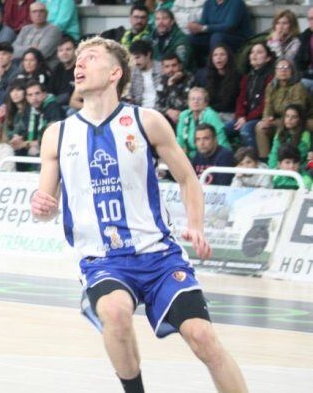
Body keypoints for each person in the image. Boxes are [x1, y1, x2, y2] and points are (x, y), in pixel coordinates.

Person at [31, 37, 247, 393]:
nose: (78, 65)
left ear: (115, 72)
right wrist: (42, 208)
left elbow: (188, 179)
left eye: (90, 58)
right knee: (114, 313)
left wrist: (195, 226)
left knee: (202, 336)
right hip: (103, 259)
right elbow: (45, 205)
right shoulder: (58, 134)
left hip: (158, 255)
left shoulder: (146, 121)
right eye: (77, 61)